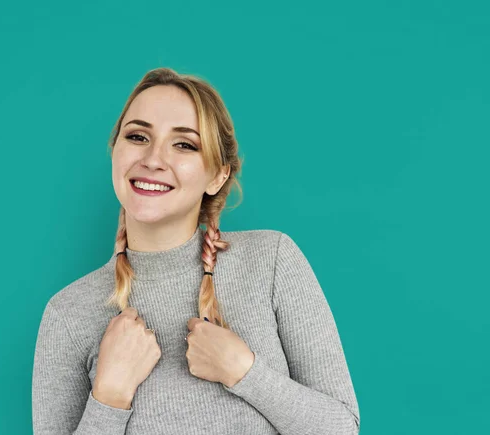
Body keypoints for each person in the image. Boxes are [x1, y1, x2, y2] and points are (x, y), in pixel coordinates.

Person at [32, 67, 360, 435]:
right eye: (138, 136)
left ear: (217, 175)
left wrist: (244, 372)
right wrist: (109, 396)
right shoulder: (67, 315)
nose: (153, 159)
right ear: (115, 152)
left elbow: (342, 427)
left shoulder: (272, 261)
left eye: (184, 144)